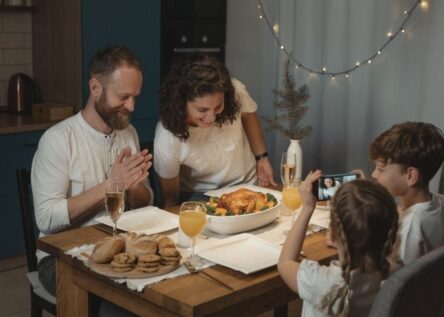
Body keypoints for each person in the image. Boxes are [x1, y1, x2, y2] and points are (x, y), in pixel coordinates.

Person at [31, 45, 153, 297]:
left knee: (162, 291)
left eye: (135, 97)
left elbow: (144, 203)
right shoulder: (58, 139)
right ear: (95, 88)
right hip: (60, 256)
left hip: (118, 247)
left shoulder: (128, 133)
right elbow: (45, 219)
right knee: (121, 304)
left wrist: (135, 188)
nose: (131, 107)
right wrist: (111, 186)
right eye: (123, 97)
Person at [153, 54, 276, 208]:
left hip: (247, 185)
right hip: (200, 196)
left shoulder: (234, 89)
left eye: (218, 107)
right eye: (202, 110)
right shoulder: (167, 136)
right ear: (181, 103)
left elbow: (248, 115)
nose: (211, 118)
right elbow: (170, 198)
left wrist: (262, 158)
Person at [278, 171, 400, 317]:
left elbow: (285, 262)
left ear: (333, 234)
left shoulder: (323, 283)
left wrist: (307, 209)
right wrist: (368, 194)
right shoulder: (395, 270)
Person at [368, 121, 444, 264]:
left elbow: (395, 284)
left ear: (411, 176)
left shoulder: (408, 230)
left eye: (381, 169)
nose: (373, 175)